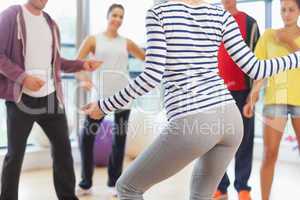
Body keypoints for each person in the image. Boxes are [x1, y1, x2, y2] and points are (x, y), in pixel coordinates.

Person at [82, 0, 300, 199]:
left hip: (193, 121)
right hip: (231, 120)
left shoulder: (159, 12)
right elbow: (255, 67)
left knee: (127, 188)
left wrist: (103, 106)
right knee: (200, 195)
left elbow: (151, 76)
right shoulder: (220, 14)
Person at [0, 0, 101, 199]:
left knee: (63, 151)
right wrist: (24, 78)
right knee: (15, 155)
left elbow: (57, 61)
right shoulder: (12, 15)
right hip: (21, 100)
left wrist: (82, 65)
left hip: (51, 99)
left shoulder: (50, 23)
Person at [76, 3, 145, 197]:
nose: (117, 19)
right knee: (87, 138)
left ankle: (114, 183)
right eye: (114, 15)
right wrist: (85, 80)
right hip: (100, 98)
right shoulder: (93, 40)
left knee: (119, 140)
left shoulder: (127, 42)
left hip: (123, 97)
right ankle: (85, 182)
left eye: (121, 16)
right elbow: (77, 64)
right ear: (108, 16)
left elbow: (146, 58)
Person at [243, 0, 300, 199]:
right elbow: (259, 71)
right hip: (275, 100)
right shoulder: (268, 35)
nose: (287, 14)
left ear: (299, 11)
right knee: (269, 154)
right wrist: (253, 96)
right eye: (283, 9)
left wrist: (290, 43)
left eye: (291, 9)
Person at [214, 0, 260, 199]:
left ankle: (242, 186)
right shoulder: (212, 22)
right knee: (216, 141)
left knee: (245, 140)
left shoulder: (250, 23)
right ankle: (220, 185)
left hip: (244, 91)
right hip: (216, 92)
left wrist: (253, 94)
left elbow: (259, 60)